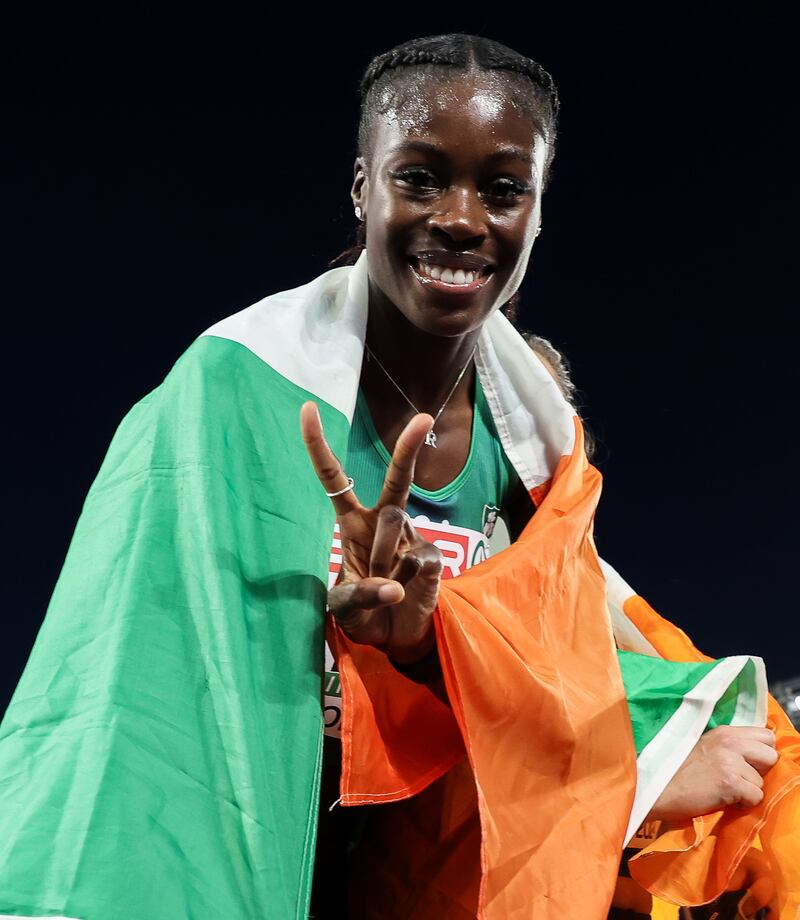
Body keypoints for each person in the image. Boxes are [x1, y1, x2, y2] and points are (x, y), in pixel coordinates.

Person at [0, 32, 797, 920]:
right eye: (419, 176)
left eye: (503, 189)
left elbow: (564, 681)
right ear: (361, 187)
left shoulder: (538, 456)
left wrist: (415, 650)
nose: (461, 217)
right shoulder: (230, 393)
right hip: (239, 851)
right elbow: (137, 686)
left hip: (408, 877)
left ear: (538, 211)